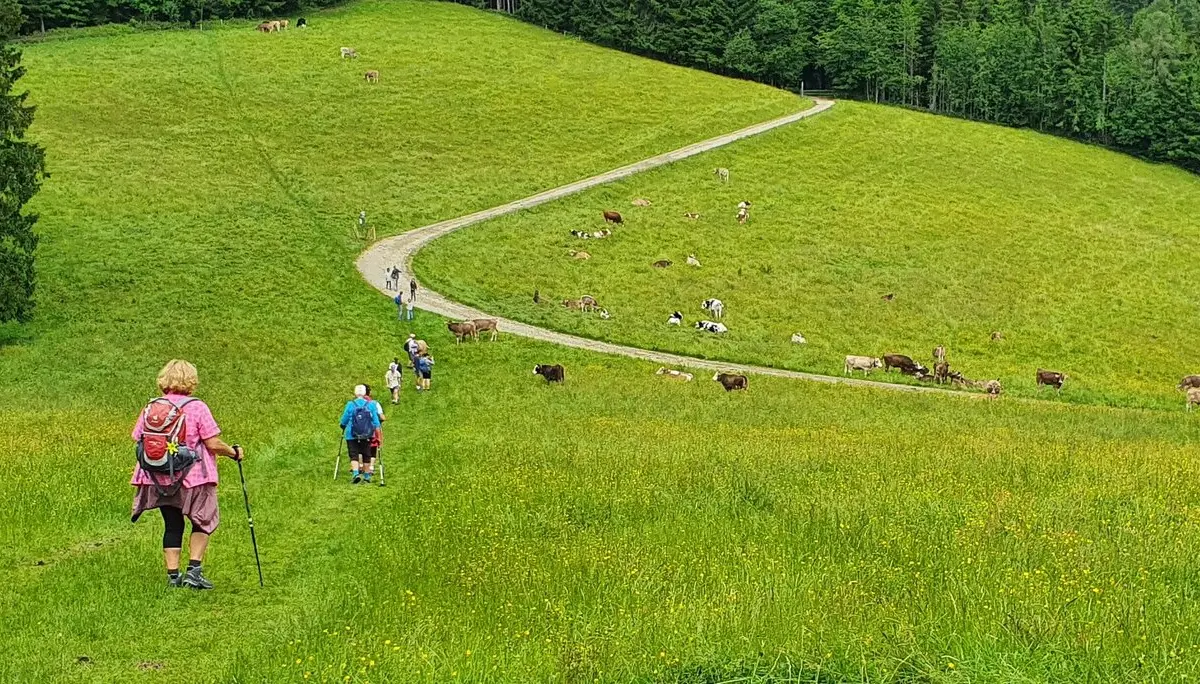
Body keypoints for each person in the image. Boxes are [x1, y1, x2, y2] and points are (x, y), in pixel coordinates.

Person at [131, 359, 244, 590]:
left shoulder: (152, 408)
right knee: (203, 520)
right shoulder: (197, 407)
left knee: (172, 524)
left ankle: (173, 577)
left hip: (158, 477)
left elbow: (137, 437)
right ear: (191, 380)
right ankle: (194, 571)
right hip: (194, 478)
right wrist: (234, 453)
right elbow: (212, 443)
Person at [339, 384, 380, 484]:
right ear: (365, 393)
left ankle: (355, 473)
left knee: (353, 454)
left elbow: (344, 419)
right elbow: (376, 421)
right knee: (366, 454)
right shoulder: (371, 404)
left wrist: (343, 425)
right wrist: (376, 432)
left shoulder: (350, 404)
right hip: (367, 434)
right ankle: (366, 476)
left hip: (351, 434)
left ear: (355, 393)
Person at [363, 384, 386, 483]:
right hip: (372, 430)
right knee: (373, 447)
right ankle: (371, 467)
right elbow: (382, 417)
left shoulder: (353, 403)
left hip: (358, 430)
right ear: (369, 392)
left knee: (360, 447)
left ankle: (360, 466)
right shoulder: (374, 403)